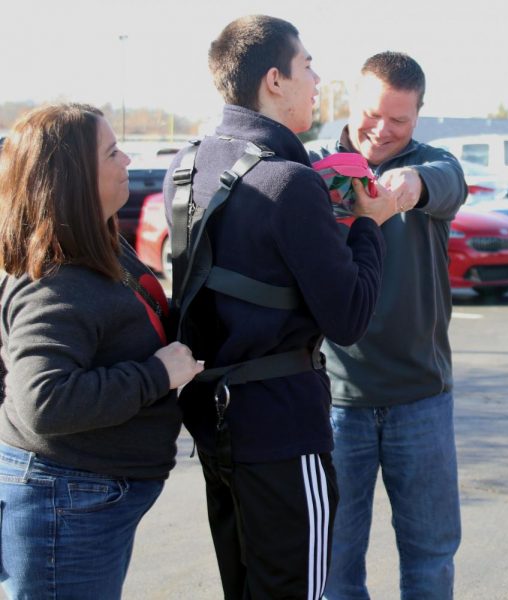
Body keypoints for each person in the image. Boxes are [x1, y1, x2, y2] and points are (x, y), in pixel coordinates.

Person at [161, 16, 399, 600]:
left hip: (218, 426)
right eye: (308, 65)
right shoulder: (288, 182)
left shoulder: (185, 168)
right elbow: (349, 319)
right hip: (285, 433)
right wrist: (369, 227)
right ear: (274, 80)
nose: (317, 79)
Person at [0, 103, 203, 598]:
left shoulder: (100, 248)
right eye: (113, 152)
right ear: (73, 179)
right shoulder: (56, 280)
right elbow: (43, 402)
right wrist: (156, 375)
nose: (127, 161)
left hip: (82, 496)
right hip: (65, 501)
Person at [308, 52, 467, 599]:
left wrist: (411, 187)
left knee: (430, 559)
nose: (381, 130)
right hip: (334, 399)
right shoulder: (315, 166)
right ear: (352, 101)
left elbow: (448, 183)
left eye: (398, 120)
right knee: (334, 564)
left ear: (418, 117)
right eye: (372, 114)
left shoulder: (433, 162)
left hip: (420, 395)